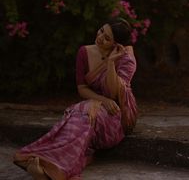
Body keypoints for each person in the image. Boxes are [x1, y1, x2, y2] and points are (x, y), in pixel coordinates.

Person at [13, 17, 137, 180]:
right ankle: (50, 169)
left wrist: (111, 63)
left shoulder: (126, 59)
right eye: (101, 31)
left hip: (115, 117)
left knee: (84, 114)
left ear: (116, 45)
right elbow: (82, 88)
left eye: (107, 38)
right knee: (80, 114)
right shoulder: (84, 52)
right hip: (93, 105)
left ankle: (52, 165)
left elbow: (114, 94)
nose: (100, 37)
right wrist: (99, 101)